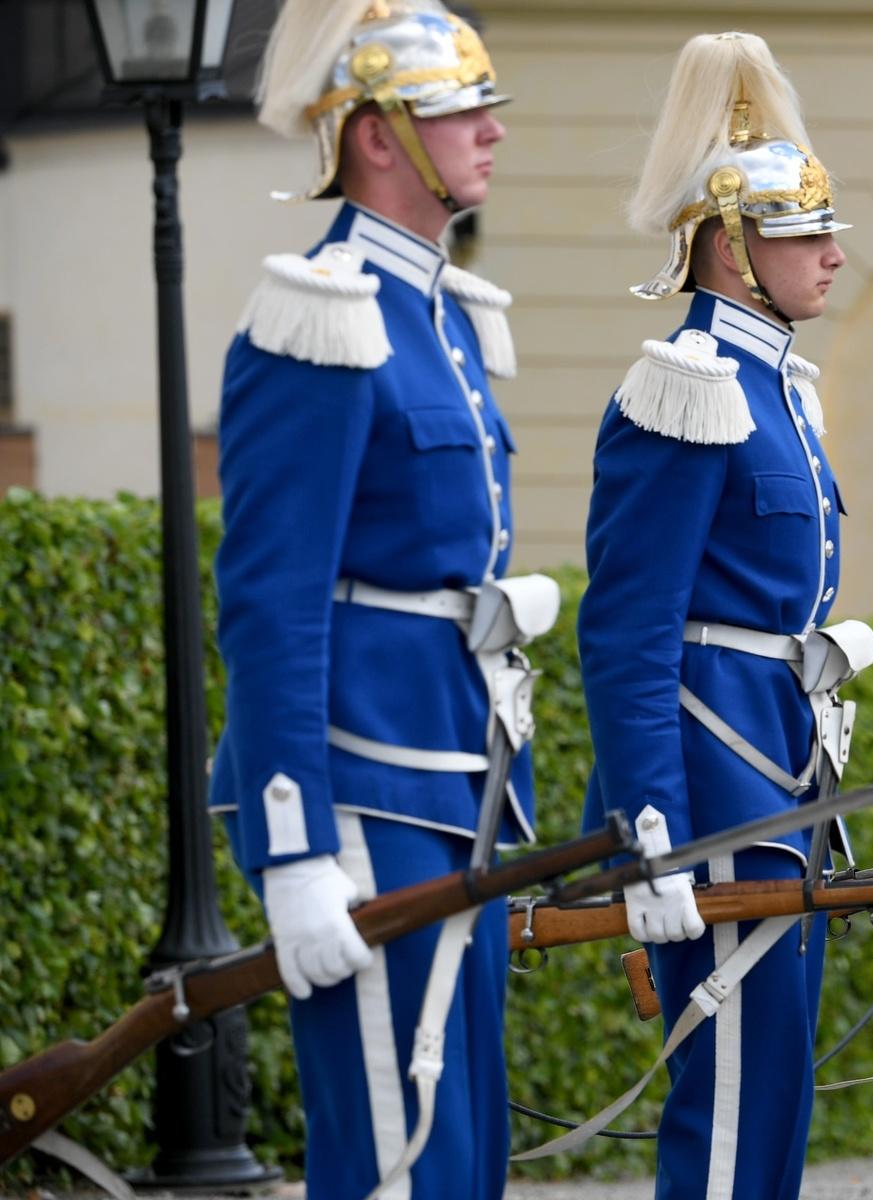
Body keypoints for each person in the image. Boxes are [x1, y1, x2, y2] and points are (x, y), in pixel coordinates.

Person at [210, 2, 543, 1195]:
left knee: (463, 1157)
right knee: (399, 1161)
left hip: (453, 780)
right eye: (462, 109)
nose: (493, 131)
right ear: (377, 136)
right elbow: (271, 598)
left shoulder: (444, 316)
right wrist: (292, 845)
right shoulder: (325, 311)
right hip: (360, 790)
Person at [574, 32, 869, 1198]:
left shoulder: (776, 387)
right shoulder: (690, 383)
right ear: (733, 248)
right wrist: (650, 830)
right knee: (734, 1090)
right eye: (807, 234)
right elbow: (629, 626)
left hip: (779, 765)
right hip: (715, 779)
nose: (836, 255)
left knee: (777, 1084)